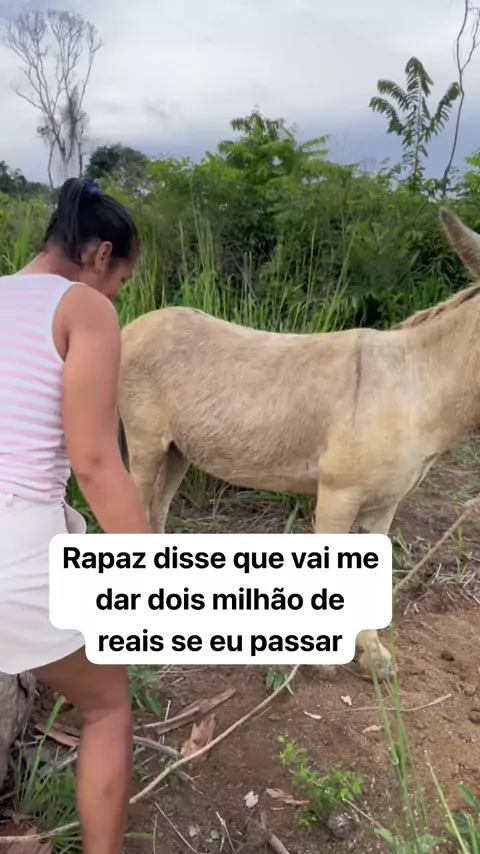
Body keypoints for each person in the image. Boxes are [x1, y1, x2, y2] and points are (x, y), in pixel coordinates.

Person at [0, 177, 153, 854]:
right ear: (100, 255)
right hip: (16, 543)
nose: (115, 295)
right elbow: (94, 463)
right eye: (121, 281)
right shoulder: (82, 310)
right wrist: (153, 572)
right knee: (107, 704)